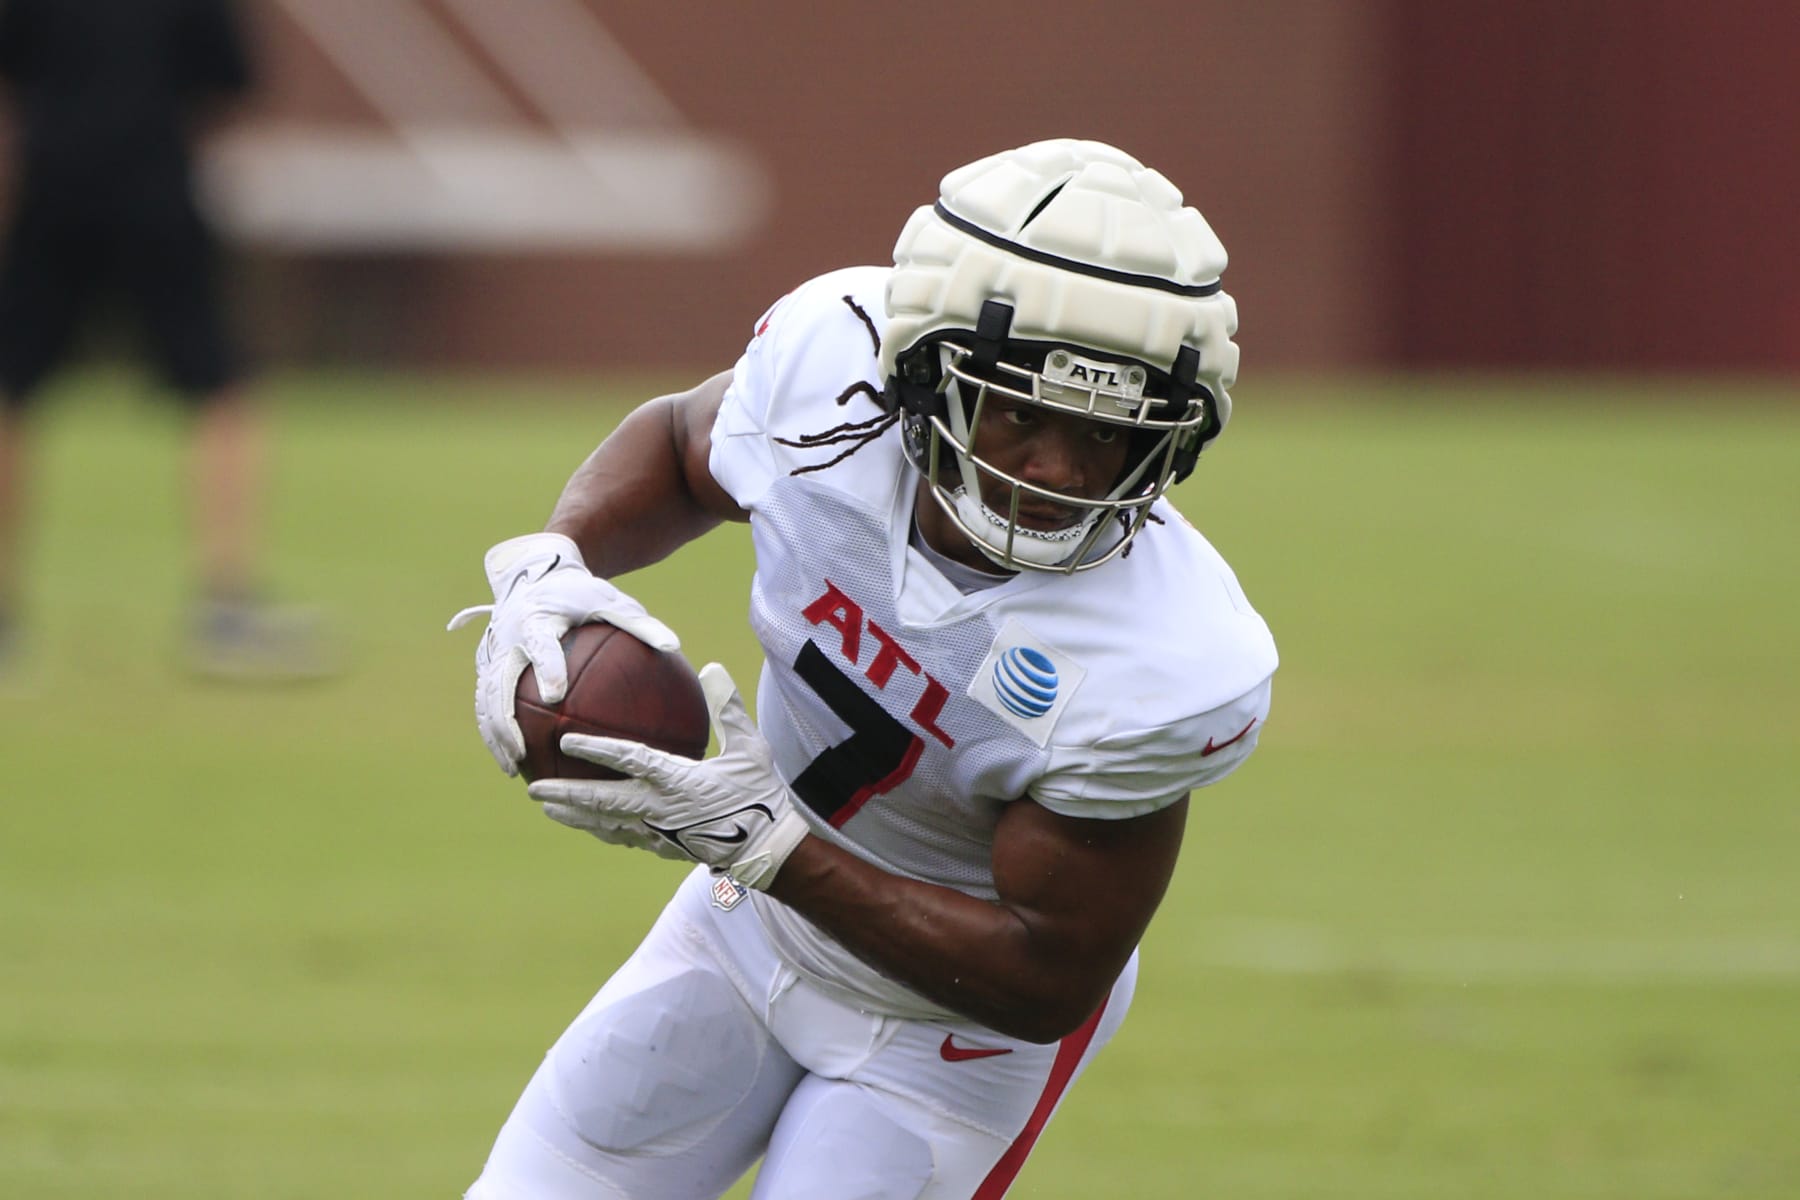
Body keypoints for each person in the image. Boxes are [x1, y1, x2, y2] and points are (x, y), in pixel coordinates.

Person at [451, 138, 1278, 1199]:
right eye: (1022, 412)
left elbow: (1045, 974)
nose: (1059, 473)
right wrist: (554, 562)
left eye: (1108, 436)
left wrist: (772, 846)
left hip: (952, 1038)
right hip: (747, 927)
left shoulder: (1166, 656)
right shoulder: (826, 383)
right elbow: (676, 445)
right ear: (923, 373)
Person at [0, 0, 324, 679]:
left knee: (12, 385)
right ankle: (226, 610)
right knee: (221, 387)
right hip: (156, 188)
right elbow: (229, 85)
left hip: (54, 188)